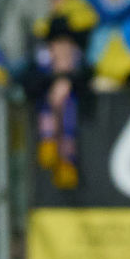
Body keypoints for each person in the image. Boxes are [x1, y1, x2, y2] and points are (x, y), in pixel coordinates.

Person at [23, 18, 93, 189]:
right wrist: (56, 80)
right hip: (39, 146)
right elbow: (28, 84)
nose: (62, 49)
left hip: (84, 144)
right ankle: (50, 146)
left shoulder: (82, 65)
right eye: (57, 44)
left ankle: (66, 158)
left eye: (66, 44)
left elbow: (87, 86)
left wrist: (67, 81)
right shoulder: (38, 66)